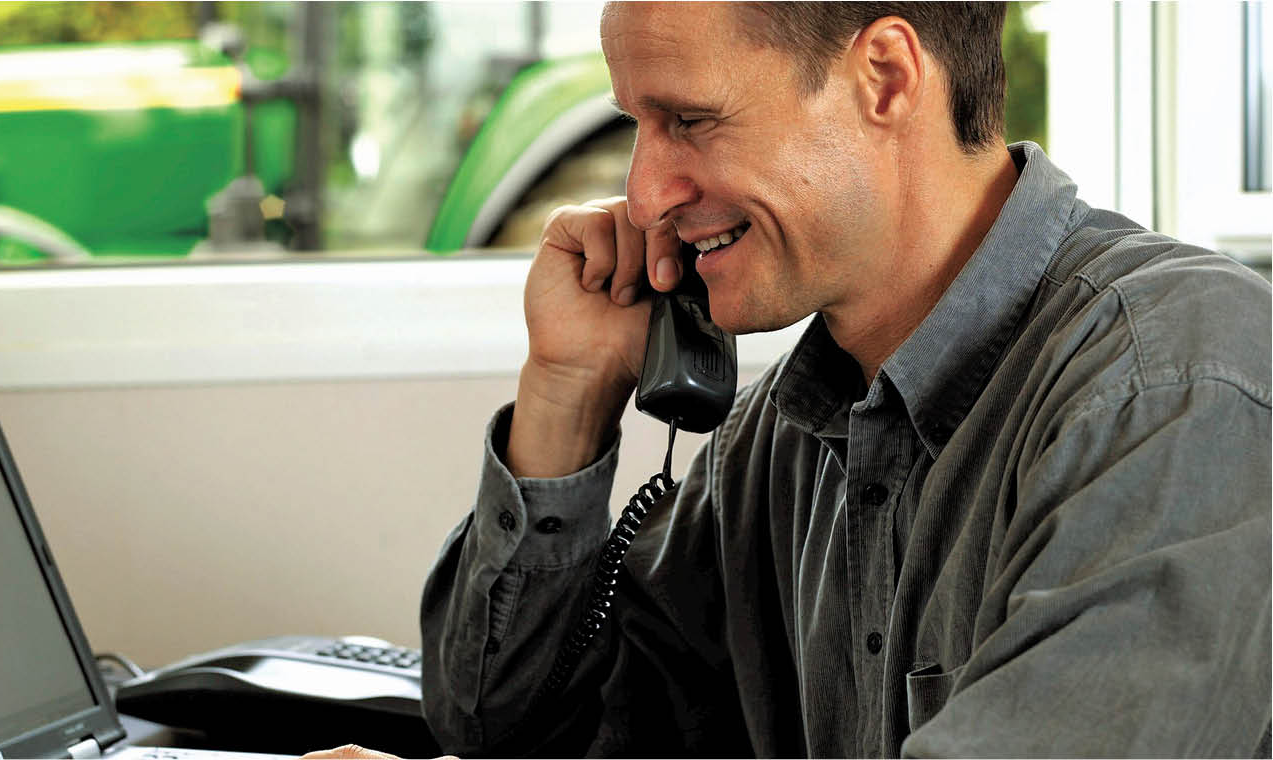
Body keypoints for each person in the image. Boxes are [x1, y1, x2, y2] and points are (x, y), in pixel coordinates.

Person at [414, 2, 1272, 757]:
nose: (643, 199)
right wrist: (566, 395)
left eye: (690, 120)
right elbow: (502, 734)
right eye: (638, 123)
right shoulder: (775, 442)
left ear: (886, 77)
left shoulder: (1174, 381)